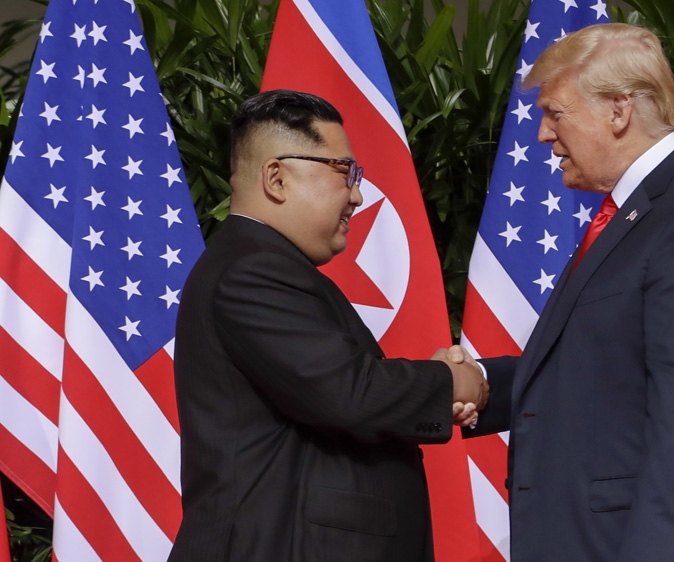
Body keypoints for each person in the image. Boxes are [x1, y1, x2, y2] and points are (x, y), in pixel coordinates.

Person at [456, 23, 674, 562]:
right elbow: (602, 370)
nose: (542, 134)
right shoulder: (639, 210)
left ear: (618, 110)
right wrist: (481, 383)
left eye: (555, 112)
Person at [169, 89, 486, 562]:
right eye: (345, 172)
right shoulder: (251, 270)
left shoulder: (262, 264)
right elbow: (349, 392)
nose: (357, 195)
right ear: (276, 178)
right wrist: (452, 382)